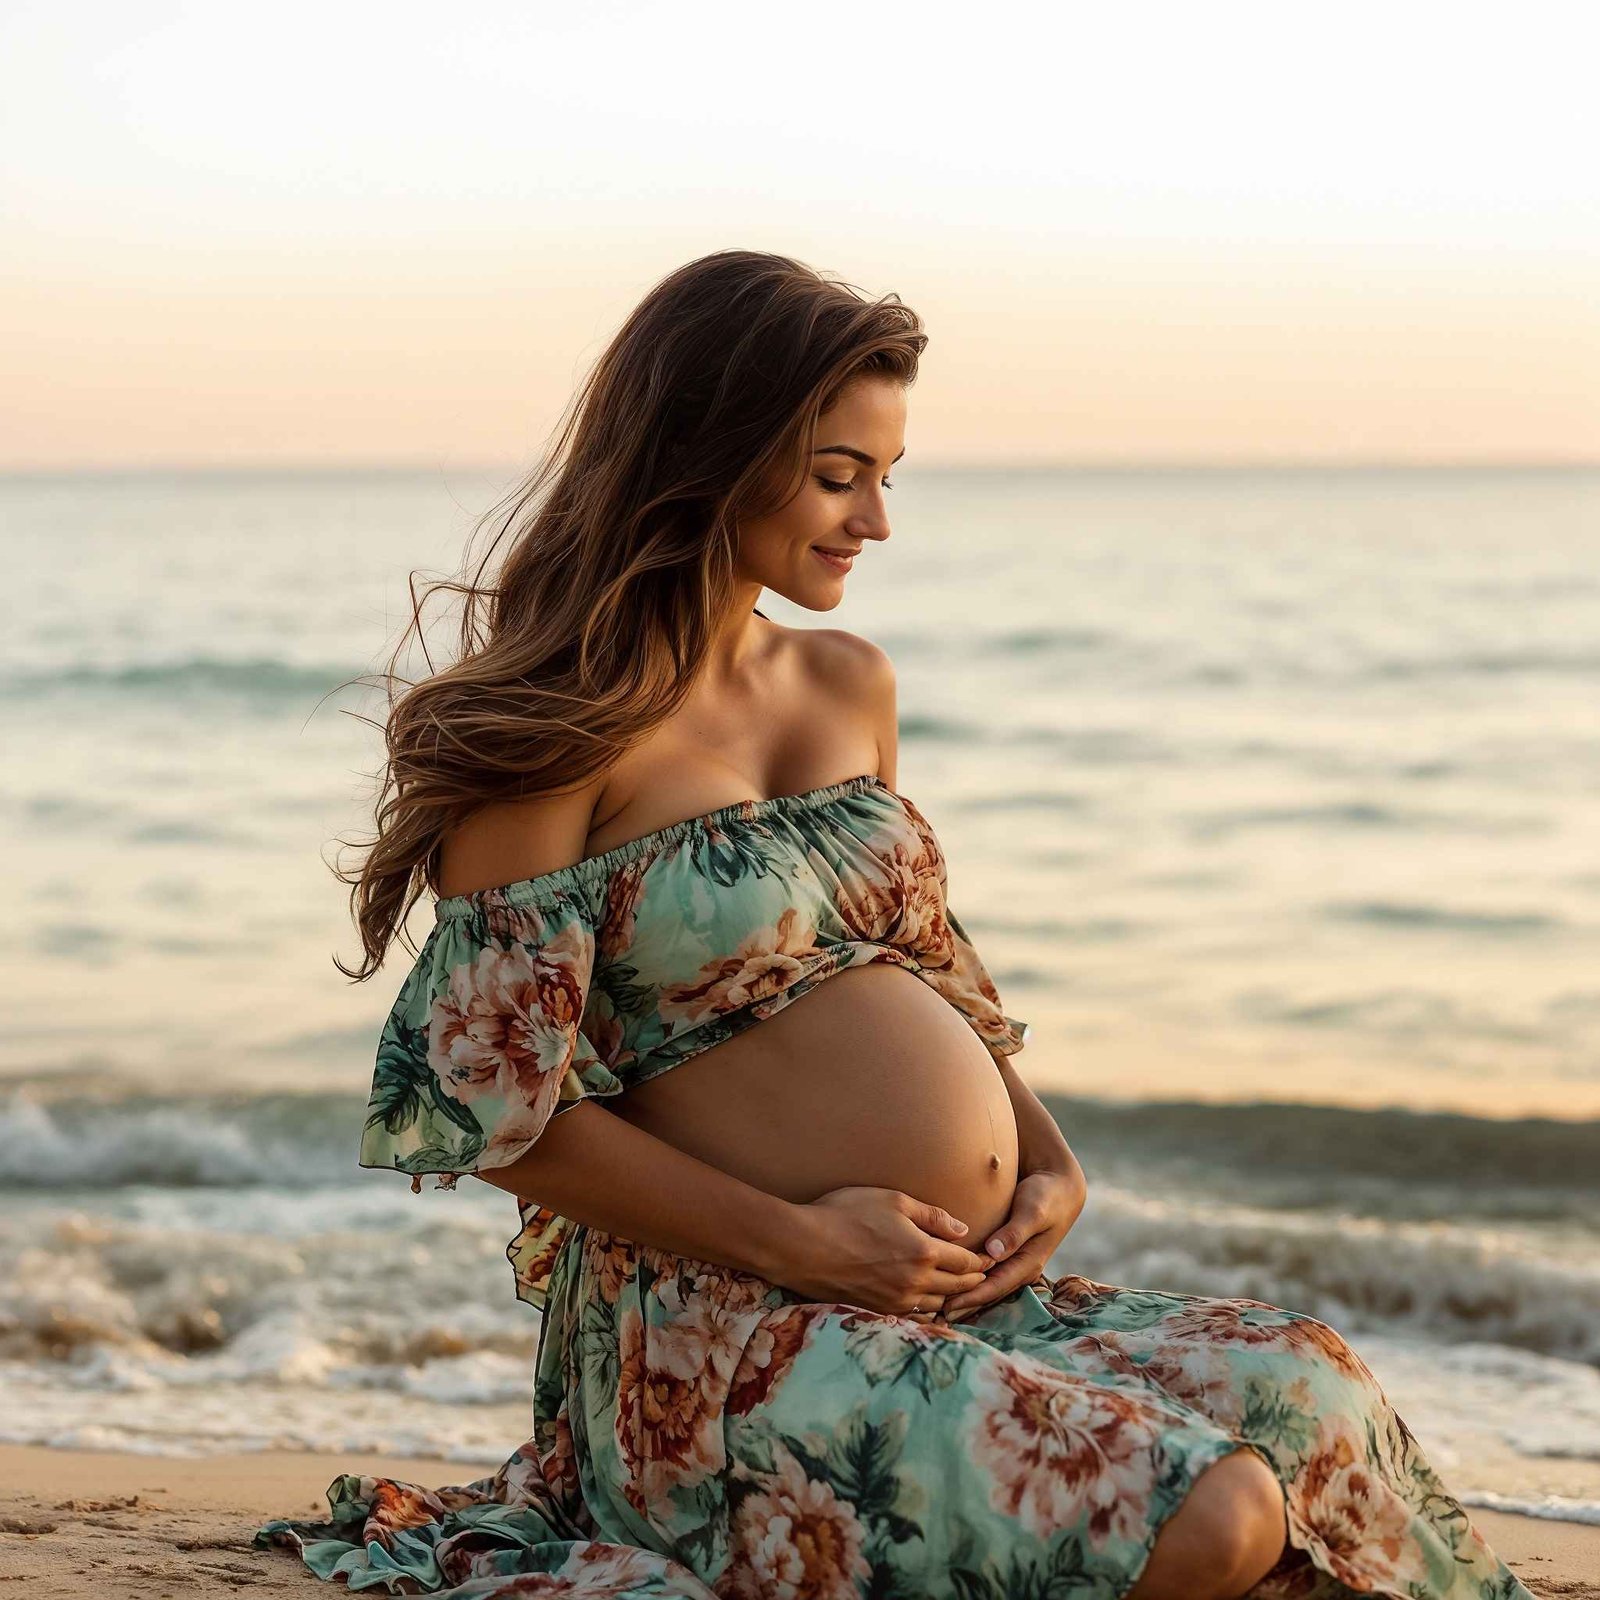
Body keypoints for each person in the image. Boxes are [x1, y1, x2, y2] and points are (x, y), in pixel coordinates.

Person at [255, 250, 1532, 1599]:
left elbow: (926, 973)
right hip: (719, 1338)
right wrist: (799, 1244)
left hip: (950, 1297)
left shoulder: (849, 682)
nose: (874, 519)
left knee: (1309, 1388)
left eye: (887, 473)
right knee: (1219, 1520)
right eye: (835, 472)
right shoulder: (560, 726)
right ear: (712, 452)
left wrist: (1049, 1163)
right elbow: (500, 1119)